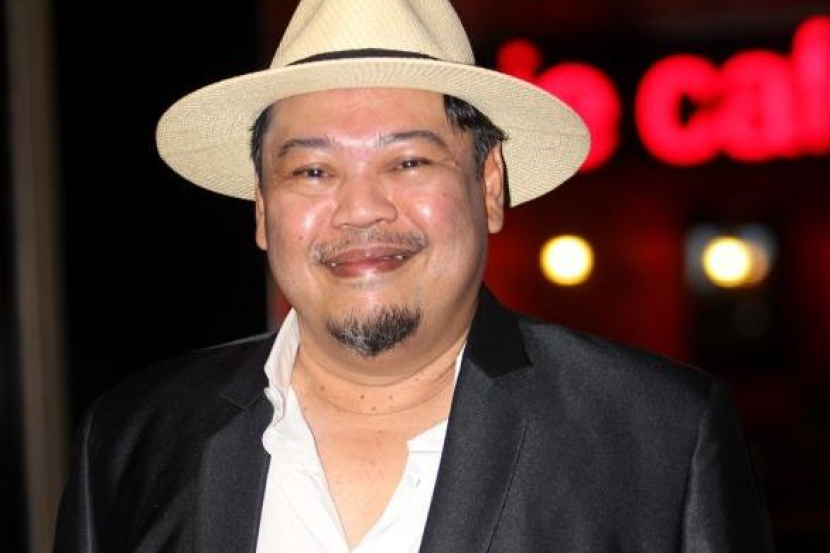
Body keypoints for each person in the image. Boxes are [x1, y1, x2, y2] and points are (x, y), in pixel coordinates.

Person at [54, 0, 775, 551]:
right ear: (263, 210)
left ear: (489, 185)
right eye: (312, 171)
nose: (360, 209)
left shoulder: (657, 438)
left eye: (407, 161)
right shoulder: (135, 439)